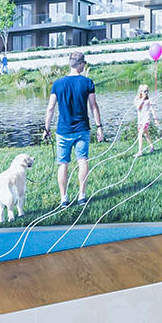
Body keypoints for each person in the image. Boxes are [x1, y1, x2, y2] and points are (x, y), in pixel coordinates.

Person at [41, 51, 104, 208]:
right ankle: (82, 195)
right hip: (82, 129)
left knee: (63, 164)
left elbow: (50, 108)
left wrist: (46, 128)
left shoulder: (57, 84)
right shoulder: (87, 82)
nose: (84, 66)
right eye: (84, 63)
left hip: (63, 131)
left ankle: (64, 198)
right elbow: (94, 106)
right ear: (80, 64)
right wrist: (99, 127)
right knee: (82, 160)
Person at [132, 83, 157, 156]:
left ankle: (140, 152)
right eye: (145, 91)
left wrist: (155, 119)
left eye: (147, 91)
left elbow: (152, 109)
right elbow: (138, 107)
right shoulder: (137, 99)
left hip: (146, 120)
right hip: (140, 120)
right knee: (146, 134)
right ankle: (152, 147)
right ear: (140, 92)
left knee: (140, 134)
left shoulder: (149, 100)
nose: (146, 93)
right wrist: (142, 99)